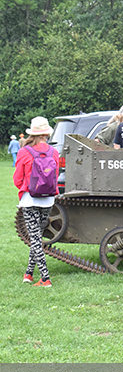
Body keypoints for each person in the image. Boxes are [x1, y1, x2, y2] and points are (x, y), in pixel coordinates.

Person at [13, 117, 58, 287]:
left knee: (35, 239)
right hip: (48, 199)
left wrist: (24, 188)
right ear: (47, 133)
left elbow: (17, 178)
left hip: (30, 198)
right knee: (37, 237)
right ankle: (28, 274)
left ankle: (45, 279)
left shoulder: (24, 152)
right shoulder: (53, 151)